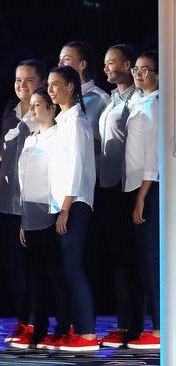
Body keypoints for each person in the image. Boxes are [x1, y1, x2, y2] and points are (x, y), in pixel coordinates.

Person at [36, 66, 97, 351]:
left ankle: (86, 333)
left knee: (73, 267)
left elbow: (74, 169)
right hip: (60, 203)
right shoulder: (63, 120)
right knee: (63, 269)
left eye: (56, 84)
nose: (51, 90)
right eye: (49, 85)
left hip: (74, 203)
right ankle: (71, 327)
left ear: (71, 86)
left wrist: (65, 208)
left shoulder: (76, 122)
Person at [97, 44, 144, 348]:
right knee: (118, 260)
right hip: (108, 186)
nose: (108, 69)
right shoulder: (112, 99)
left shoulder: (137, 100)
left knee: (133, 259)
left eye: (113, 63)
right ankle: (124, 321)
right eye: (105, 64)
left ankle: (139, 323)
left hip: (129, 187)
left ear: (128, 64)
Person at [0, 59, 46, 344]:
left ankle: (35, 323)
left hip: (34, 204)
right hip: (7, 203)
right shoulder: (8, 113)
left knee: (34, 268)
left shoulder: (46, 113)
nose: (22, 86)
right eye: (18, 80)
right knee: (13, 268)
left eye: (28, 80)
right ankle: (23, 320)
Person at [12, 87, 62, 349]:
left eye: (38, 105)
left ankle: (63, 326)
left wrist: (58, 213)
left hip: (49, 211)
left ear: (52, 108)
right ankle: (39, 327)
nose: (32, 110)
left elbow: (59, 176)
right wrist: (22, 218)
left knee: (54, 274)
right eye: (31, 106)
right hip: (30, 213)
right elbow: (24, 179)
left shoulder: (58, 137)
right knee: (35, 275)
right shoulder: (31, 138)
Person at [124, 50, 160, 350]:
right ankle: (145, 323)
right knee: (139, 263)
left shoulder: (158, 103)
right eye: (136, 69)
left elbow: (154, 152)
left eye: (146, 70)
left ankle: (162, 326)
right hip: (132, 185)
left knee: (152, 261)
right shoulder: (137, 100)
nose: (139, 74)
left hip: (149, 186)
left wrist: (142, 197)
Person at [58, 41, 110, 153]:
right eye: (60, 60)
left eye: (66, 59)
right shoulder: (60, 99)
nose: (60, 65)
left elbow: (106, 144)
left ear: (82, 64)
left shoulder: (101, 99)